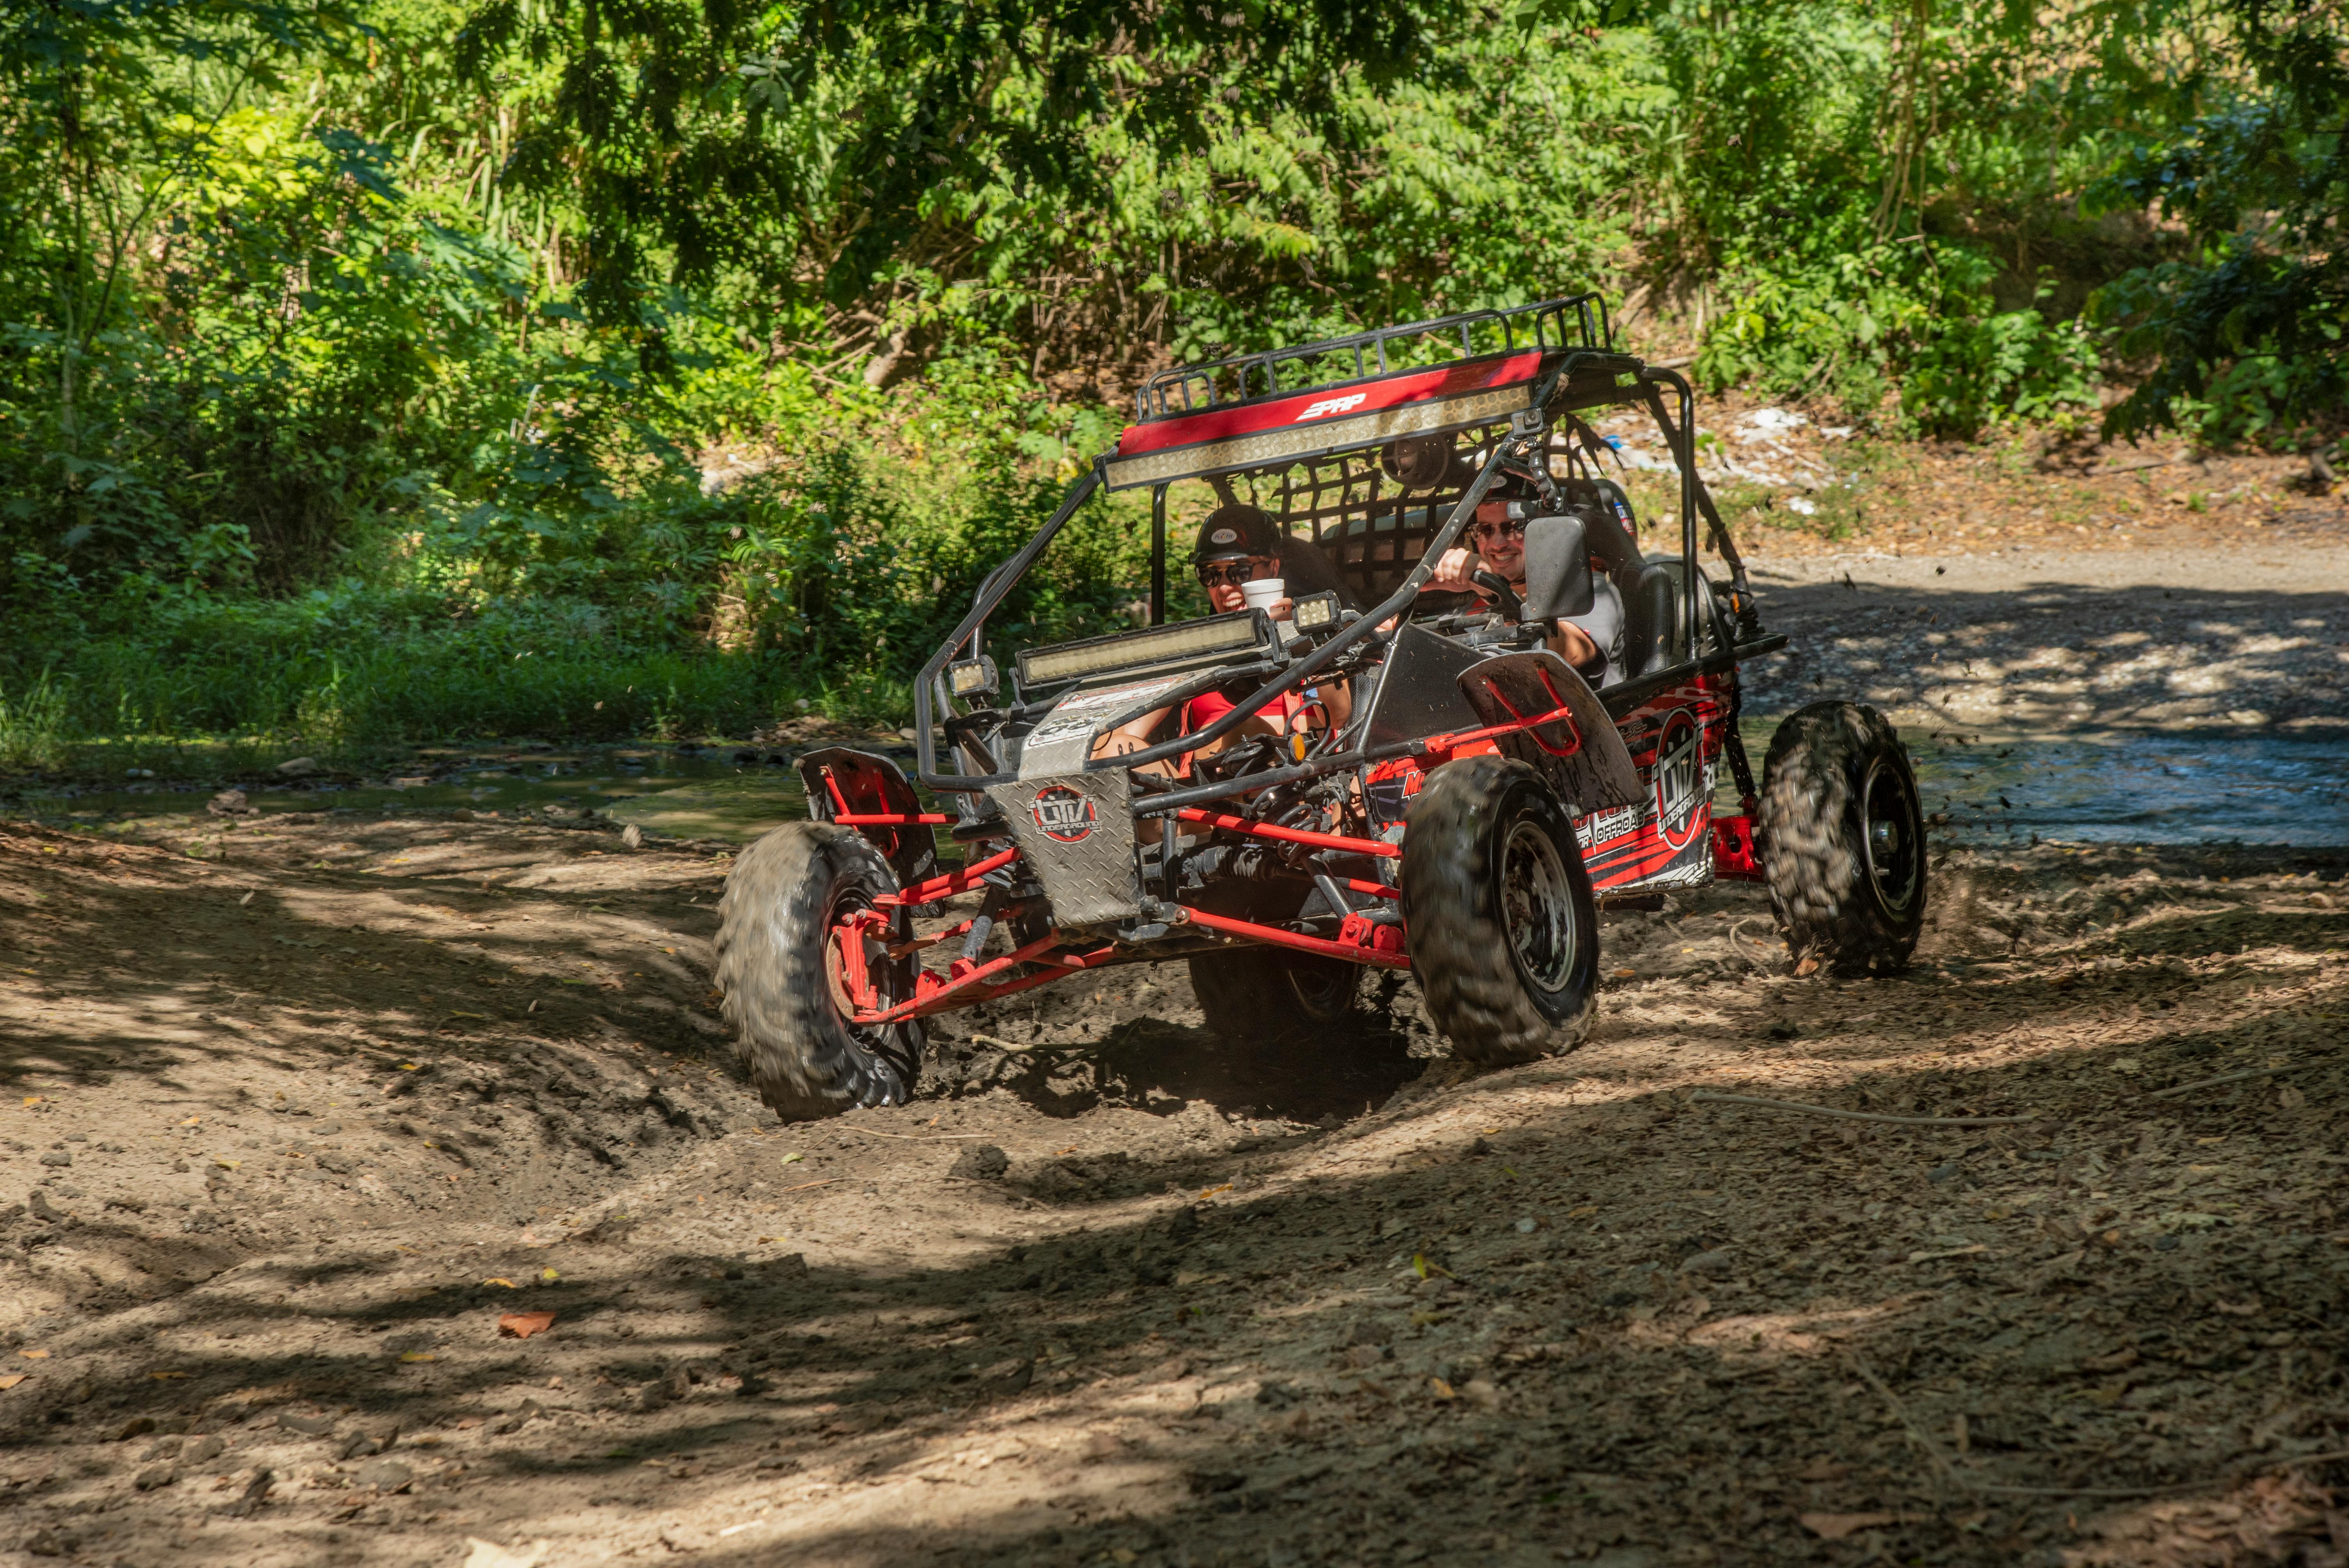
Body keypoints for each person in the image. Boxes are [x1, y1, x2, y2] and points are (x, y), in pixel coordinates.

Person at [1094, 505, 1349, 782]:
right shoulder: (1197, 646)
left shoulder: (1309, 630)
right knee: (1109, 749)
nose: (1224, 587)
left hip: (1286, 788)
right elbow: (1130, 731)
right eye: (1210, 574)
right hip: (1198, 798)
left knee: (1247, 729)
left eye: (1240, 572)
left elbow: (1339, 716)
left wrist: (1299, 635)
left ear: (1274, 566)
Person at [1423, 481, 1626, 688]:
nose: (1497, 544)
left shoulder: (1591, 590)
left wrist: (1499, 595)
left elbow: (1564, 653)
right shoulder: (1483, 598)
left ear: (1547, 531)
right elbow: (1427, 647)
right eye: (1485, 530)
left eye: (1514, 527)